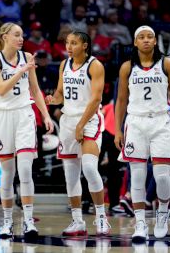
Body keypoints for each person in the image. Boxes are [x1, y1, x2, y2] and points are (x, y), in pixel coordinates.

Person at [114, 25, 170, 241]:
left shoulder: (167, 64)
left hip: (161, 121)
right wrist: (117, 129)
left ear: (155, 41)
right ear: (135, 42)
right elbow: (121, 100)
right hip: (135, 122)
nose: (146, 40)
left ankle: (162, 211)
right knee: (137, 175)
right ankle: (141, 223)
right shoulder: (127, 67)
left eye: (150, 37)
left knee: (162, 176)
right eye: (141, 37)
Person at [0, 22, 54, 240]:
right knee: (8, 173)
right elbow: (1, 88)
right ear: (5, 37)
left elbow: (35, 89)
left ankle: (28, 221)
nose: (21, 38)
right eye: (16, 35)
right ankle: (7, 222)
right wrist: (20, 71)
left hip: (25, 115)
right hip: (3, 116)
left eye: (22, 35)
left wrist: (45, 115)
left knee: (25, 170)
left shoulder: (27, 56)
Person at [45, 31, 111, 236]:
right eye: (67, 42)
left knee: (90, 168)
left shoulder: (95, 65)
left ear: (85, 45)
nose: (69, 46)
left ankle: (101, 218)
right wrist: (51, 100)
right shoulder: (64, 65)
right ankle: (77, 222)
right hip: (68, 121)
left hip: (89, 120)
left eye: (74, 43)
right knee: (70, 175)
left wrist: (81, 125)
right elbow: (61, 94)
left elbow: (96, 99)